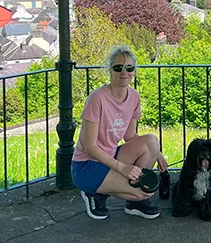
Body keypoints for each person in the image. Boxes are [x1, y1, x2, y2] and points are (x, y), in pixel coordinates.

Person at [71, 45, 168, 220]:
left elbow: (129, 136)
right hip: (87, 165)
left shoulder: (134, 96)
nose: (125, 72)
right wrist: (123, 169)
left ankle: (133, 204)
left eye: (129, 68)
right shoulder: (97, 98)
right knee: (142, 192)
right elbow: (90, 147)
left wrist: (158, 154)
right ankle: (94, 193)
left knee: (152, 141)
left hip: (110, 156)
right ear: (110, 70)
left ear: (134, 71)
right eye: (118, 68)